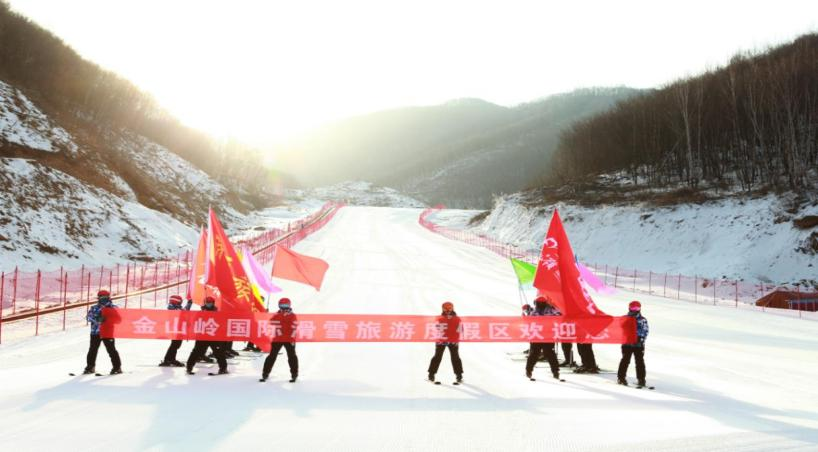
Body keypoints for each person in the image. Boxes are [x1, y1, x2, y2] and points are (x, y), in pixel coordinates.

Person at [186, 296, 228, 375]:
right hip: (202, 336)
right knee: (196, 352)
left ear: (213, 303)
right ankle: (189, 366)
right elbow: (195, 322)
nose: (209, 304)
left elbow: (221, 322)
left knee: (219, 352)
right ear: (205, 303)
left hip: (214, 336)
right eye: (208, 303)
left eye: (210, 303)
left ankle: (223, 368)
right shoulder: (200, 312)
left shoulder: (217, 312)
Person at [84, 290, 122, 375]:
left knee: (111, 350)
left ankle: (117, 367)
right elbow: (88, 317)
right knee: (92, 350)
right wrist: (97, 319)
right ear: (99, 298)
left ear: (109, 298)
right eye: (102, 297)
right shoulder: (94, 308)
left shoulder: (114, 308)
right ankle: (90, 367)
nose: (103, 299)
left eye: (105, 297)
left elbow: (119, 320)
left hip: (108, 332)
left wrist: (108, 319)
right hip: (95, 332)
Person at [260, 298, 299, 382]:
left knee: (291, 356)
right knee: (272, 355)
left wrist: (284, 317)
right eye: (282, 305)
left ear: (289, 305)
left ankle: (294, 374)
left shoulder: (292, 315)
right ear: (279, 305)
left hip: (289, 339)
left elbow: (294, 324)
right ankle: (265, 373)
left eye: (286, 305)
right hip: (278, 338)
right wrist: (280, 316)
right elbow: (271, 321)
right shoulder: (277, 314)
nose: (284, 308)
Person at [525, 296, 561, 381]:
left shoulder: (551, 310)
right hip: (539, 335)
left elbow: (560, 316)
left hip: (546, 335)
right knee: (540, 353)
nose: (539, 305)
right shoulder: (535, 311)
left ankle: (555, 371)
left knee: (545, 353)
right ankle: (529, 370)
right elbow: (528, 320)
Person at [427, 301, 464, 383]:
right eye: (446, 309)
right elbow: (435, 329)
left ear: (452, 308)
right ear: (443, 309)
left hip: (453, 341)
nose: (448, 311)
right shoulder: (439, 319)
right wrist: (438, 338)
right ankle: (431, 374)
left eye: (449, 308)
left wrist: (456, 340)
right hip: (441, 340)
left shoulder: (457, 319)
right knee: (437, 357)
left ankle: (459, 376)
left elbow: (461, 330)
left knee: (455, 358)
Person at [617, 300, 650, 387]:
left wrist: (640, 338)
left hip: (638, 345)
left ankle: (641, 379)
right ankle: (621, 378)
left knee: (639, 362)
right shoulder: (625, 318)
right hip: (627, 343)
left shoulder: (642, 320)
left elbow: (645, 331)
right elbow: (620, 328)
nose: (635, 310)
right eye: (633, 307)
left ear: (639, 309)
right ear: (629, 308)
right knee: (625, 360)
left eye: (637, 308)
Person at [159, 295, 192, 367]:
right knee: (174, 345)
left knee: (175, 345)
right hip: (176, 330)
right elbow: (183, 312)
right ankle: (168, 359)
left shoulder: (175, 308)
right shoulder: (173, 309)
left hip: (179, 330)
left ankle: (170, 359)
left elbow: (184, 311)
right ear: (176, 302)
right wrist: (188, 305)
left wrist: (189, 304)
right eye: (180, 302)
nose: (181, 303)